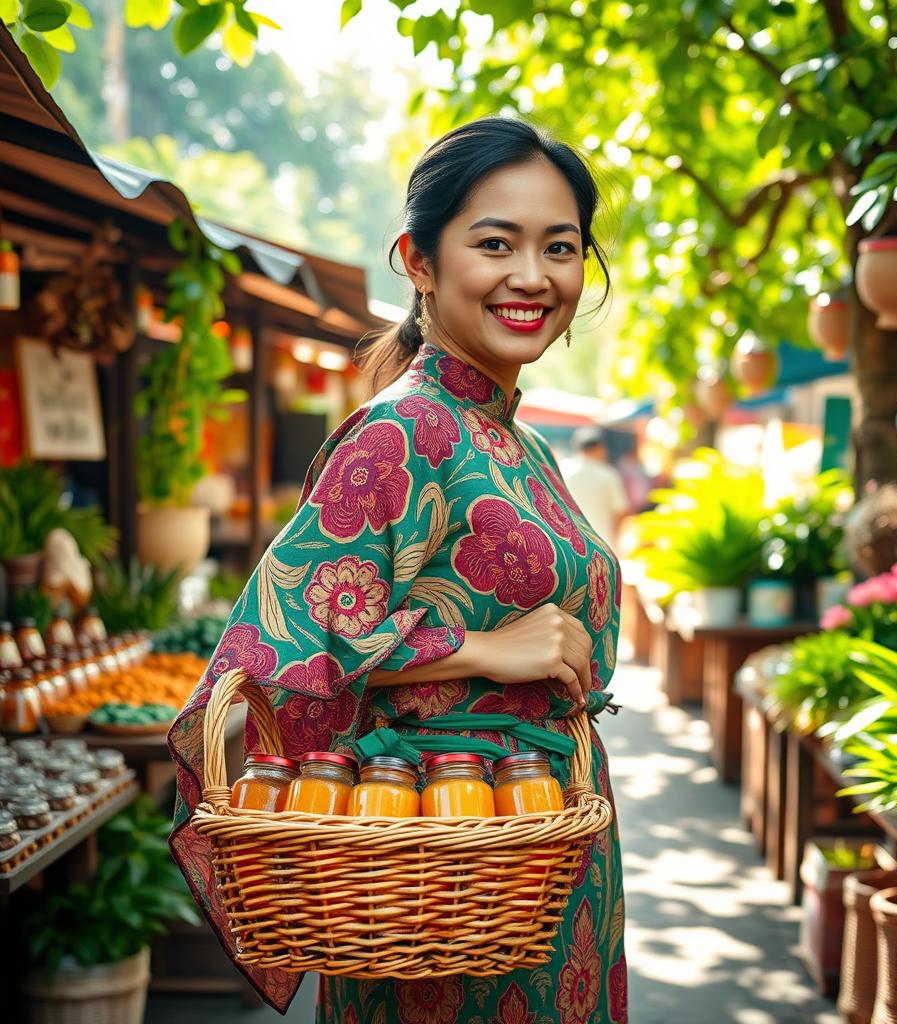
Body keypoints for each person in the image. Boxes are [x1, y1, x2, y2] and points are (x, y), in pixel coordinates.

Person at [167, 117, 628, 1024]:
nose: (533, 276)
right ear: (419, 261)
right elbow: (279, 644)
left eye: (561, 247)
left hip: (545, 852)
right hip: (438, 864)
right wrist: (483, 650)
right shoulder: (402, 431)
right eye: (495, 243)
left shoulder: (518, 440)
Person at [561, 426, 630, 550]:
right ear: (600, 449)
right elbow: (621, 511)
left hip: (570, 546)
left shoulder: (562, 470)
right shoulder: (608, 474)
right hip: (603, 544)